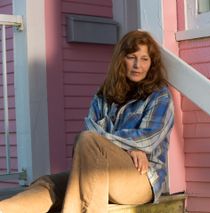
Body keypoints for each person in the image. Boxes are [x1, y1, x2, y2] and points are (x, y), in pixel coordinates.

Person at [0, 30, 174, 213]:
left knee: (88, 140)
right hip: (98, 172)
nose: (138, 65)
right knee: (49, 184)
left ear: (152, 63)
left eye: (145, 59)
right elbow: (91, 130)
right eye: (132, 57)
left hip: (141, 178)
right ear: (121, 59)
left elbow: (147, 138)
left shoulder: (159, 96)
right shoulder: (104, 95)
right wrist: (130, 147)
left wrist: (120, 145)